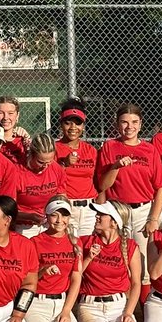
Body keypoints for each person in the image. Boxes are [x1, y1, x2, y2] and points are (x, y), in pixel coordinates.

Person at [95, 102, 162, 303]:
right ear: (117, 125)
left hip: (143, 210)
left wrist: (153, 218)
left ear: (141, 124)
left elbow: (161, 187)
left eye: (134, 122)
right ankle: (124, 313)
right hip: (118, 211)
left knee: (143, 265)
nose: (129, 127)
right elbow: (102, 185)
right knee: (121, 263)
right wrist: (116, 166)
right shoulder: (110, 147)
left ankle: (145, 314)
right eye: (124, 122)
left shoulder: (149, 150)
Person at [75, 201, 142, 322]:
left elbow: (136, 283)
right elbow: (75, 276)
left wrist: (128, 312)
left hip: (118, 307)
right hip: (90, 307)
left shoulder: (129, 246)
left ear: (114, 221)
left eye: (101, 214)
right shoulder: (84, 242)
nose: (96, 216)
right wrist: (88, 258)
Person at [26, 197, 89, 322]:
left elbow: (76, 278)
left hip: (61, 304)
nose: (60, 220)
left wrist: (67, 310)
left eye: (64, 216)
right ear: (47, 216)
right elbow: (26, 280)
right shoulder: (34, 242)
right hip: (37, 304)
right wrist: (43, 271)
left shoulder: (75, 242)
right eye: (54, 215)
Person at [54, 99, 99, 237]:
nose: (73, 127)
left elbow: (97, 181)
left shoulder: (90, 150)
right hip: (66, 207)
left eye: (78, 123)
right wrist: (63, 164)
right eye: (68, 122)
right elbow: (48, 177)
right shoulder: (54, 149)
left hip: (89, 208)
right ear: (61, 124)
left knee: (87, 248)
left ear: (83, 126)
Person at [13, 132, 68, 237]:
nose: (45, 166)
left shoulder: (56, 169)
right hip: (24, 225)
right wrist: (29, 217)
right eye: (40, 162)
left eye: (49, 161)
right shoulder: (17, 172)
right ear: (31, 154)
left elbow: (62, 197)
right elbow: (8, 209)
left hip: (50, 223)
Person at [0, 95, 30, 165]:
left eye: (10, 113)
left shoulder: (23, 140)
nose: (5, 117)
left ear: (17, 115)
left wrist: (27, 141)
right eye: (1, 113)